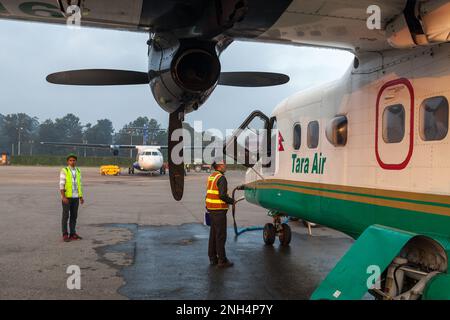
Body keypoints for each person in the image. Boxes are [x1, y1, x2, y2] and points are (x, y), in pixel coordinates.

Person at [205, 158, 235, 268]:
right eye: (224, 163)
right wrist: (232, 201)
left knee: (213, 235)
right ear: (219, 166)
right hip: (219, 210)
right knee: (220, 235)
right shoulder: (221, 178)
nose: (225, 165)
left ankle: (213, 258)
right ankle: (222, 260)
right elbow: (222, 195)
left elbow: (208, 193)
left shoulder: (212, 176)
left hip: (211, 209)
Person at [59, 153, 84, 242]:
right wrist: (63, 197)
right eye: (70, 160)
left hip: (76, 197)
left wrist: (81, 197)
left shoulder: (78, 170)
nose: (72, 162)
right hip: (67, 197)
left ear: (76, 161)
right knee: (65, 216)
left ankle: (72, 234)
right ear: (68, 161)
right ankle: (65, 234)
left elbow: (79, 184)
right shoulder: (64, 170)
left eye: (73, 160)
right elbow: (61, 184)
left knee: (74, 216)